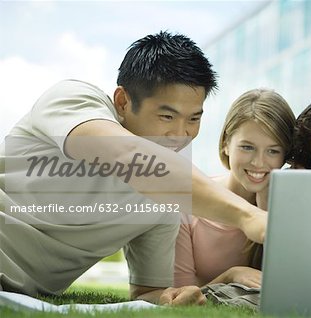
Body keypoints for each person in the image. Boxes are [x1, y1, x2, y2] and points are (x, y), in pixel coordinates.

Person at [0, 31, 268, 306]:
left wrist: (172, 297)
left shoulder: (167, 202)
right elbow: (128, 156)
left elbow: (145, 293)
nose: (181, 134)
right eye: (167, 116)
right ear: (122, 102)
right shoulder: (73, 100)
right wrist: (248, 216)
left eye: (193, 119)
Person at [175, 88, 296, 289]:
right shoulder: (190, 205)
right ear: (225, 144)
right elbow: (178, 301)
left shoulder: (290, 208)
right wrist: (231, 275)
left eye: (273, 151)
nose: (258, 162)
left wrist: (266, 206)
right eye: (247, 147)